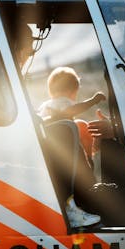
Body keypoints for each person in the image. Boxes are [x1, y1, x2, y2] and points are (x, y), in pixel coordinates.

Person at [37, 66, 105, 229]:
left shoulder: (46, 105)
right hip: (64, 144)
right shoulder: (63, 102)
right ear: (72, 90)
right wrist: (93, 100)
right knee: (82, 161)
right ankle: (88, 190)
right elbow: (72, 109)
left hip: (52, 147)